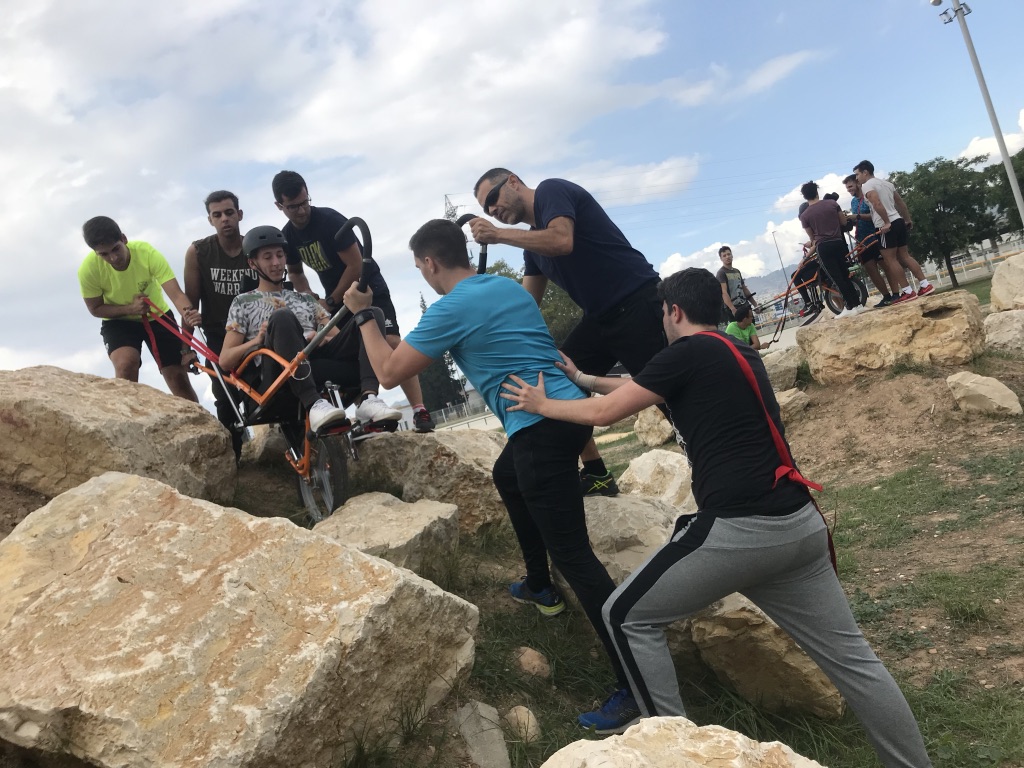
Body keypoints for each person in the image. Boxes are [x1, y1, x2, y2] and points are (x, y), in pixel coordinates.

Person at [500, 267, 933, 767]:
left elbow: (605, 413)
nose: (661, 321)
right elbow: (639, 385)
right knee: (855, 662)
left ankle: (675, 753)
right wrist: (580, 378)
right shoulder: (732, 351)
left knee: (625, 615)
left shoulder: (687, 353)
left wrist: (542, 402)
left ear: (674, 312)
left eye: (662, 313)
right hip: (799, 528)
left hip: (742, 530)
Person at [343, 218, 635, 707]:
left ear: (430, 262)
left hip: (543, 429)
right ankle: (539, 585)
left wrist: (363, 316)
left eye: (419, 267)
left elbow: (389, 373)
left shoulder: (451, 307)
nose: (422, 274)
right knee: (506, 474)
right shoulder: (506, 289)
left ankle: (634, 682)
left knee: (576, 555)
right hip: (569, 417)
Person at [469, 169, 666, 496]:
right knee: (557, 378)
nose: (492, 211)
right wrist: (480, 319)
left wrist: (499, 234)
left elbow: (562, 240)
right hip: (600, 321)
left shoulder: (551, 191)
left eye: (493, 199)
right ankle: (598, 473)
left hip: (638, 304)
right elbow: (526, 304)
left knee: (671, 395)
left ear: (514, 182)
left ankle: (721, 468)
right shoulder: (532, 250)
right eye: (487, 209)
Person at [271, 170, 435, 432]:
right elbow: (296, 272)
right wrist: (311, 299)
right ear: (280, 206)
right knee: (356, 351)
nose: (301, 211)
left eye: (304, 202)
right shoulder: (287, 235)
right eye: (293, 207)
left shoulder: (330, 221)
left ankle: (419, 410)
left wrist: (332, 299)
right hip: (338, 300)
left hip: (366, 287)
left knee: (390, 342)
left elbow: (356, 264)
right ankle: (366, 411)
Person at [219, 225, 402, 432]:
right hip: (277, 373)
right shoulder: (242, 302)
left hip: (317, 359)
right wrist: (256, 341)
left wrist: (322, 339)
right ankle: (313, 402)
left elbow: (338, 338)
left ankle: (369, 398)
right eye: (268, 257)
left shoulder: (305, 299)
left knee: (371, 313)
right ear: (253, 263)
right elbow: (225, 360)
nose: (277, 263)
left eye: (280, 255)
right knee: (282, 317)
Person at [78, 216, 200, 402]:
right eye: (103, 254)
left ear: (124, 239)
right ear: (95, 252)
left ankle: (200, 426)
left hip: (157, 316)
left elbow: (176, 294)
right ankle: (129, 421)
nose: (113, 258)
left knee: (177, 376)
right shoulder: (88, 270)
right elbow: (95, 309)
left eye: (115, 249)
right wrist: (131, 308)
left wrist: (188, 313)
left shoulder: (147, 253)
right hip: (119, 321)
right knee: (126, 365)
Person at [183, 190, 255, 459]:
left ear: (240, 214)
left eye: (229, 212)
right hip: (217, 333)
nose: (225, 219)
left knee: (266, 389)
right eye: (217, 215)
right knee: (225, 396)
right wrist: (185, 347)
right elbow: (190, 303)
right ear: (210, 220)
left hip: (254, 331)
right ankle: (233, 460)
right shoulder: (199, 251)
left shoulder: (255, 246)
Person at [853, 160, 934, 302]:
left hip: (885, 225)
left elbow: (876, 203)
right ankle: (925, 284)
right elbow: (901, 203)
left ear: (865, 172)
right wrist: (907, 219)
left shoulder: (867, 186)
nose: (856, 178)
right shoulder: (887, 184)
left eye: (857, 174)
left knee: (890, 260)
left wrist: (886, 222)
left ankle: (907, 291)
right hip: (899, 221)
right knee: (905, 256)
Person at [798, 181, 862, 318]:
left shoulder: (804, 216)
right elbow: (843, 222)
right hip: (839, 243)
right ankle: (857, 304)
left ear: (804, 196)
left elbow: (813, 237)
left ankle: (849, 307)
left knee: (836, 278)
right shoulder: (832, 204)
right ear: (817, 192)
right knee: (845, 274)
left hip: (823, 247)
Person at [843, 174, 897, 307]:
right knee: (871, 269)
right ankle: (886, 296)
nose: (848, 190)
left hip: (875, 235)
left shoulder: (867, 196)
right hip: (862, 240)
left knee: (886, 266)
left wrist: (858, 216)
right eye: (847, 188)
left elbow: (874, 214)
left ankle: (896, 293)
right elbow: (859, 219)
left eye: (850, 186)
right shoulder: (853, 202)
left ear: (857, 183)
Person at [716, 245, 755, 321]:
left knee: (751, 329)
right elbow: (724, 292)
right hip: (734, 309)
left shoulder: (737, 271)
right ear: (721, 259)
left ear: (732, 255)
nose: (727, 257)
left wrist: (755, 305)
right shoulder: (721, 273)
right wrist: (732, 309)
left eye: (729, 254)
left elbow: (744, 289)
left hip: (745, 305)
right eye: (724, 256)